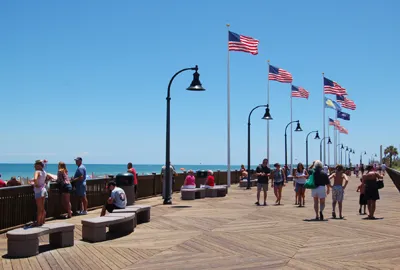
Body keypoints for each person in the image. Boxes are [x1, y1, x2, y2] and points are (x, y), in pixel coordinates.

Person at [32, 160, 51, 226]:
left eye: (35, 165)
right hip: (43, 190)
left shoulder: (37, 171)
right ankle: (42, 221)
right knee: (42, 207)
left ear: (39, 166)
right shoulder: (44, 172)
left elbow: (35, 179)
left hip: (38, 191)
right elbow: (47, 179)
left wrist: (36, 184)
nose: (34, 166)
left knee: (39, 208)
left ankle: (38, 222)